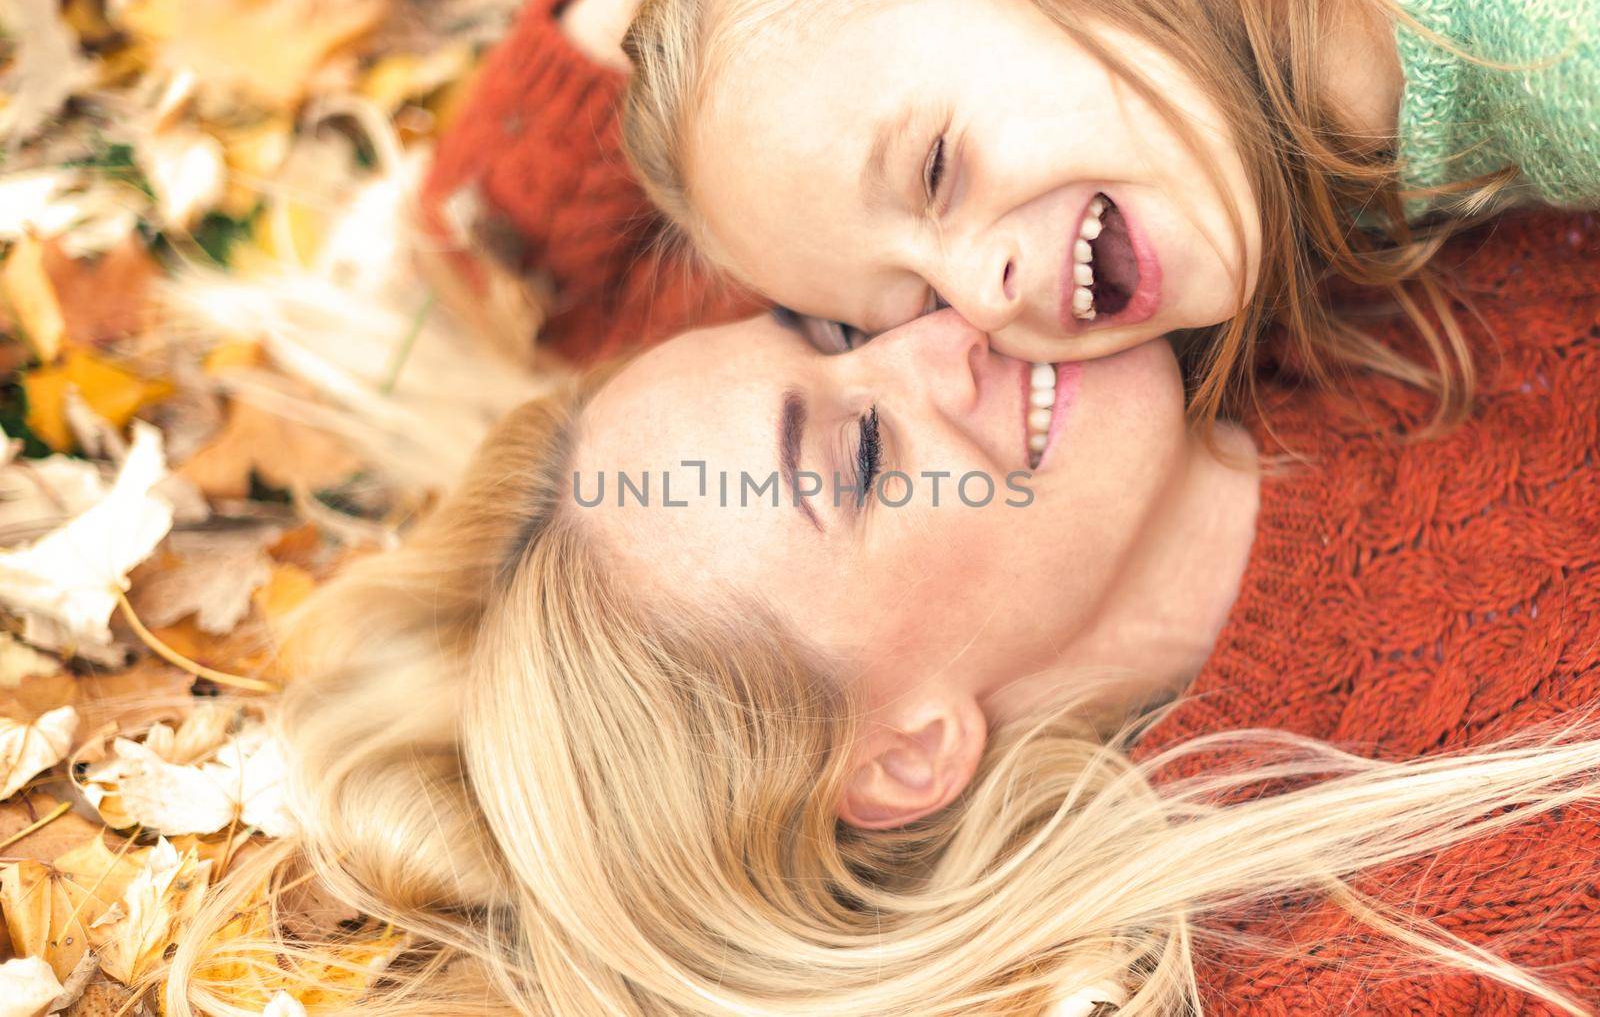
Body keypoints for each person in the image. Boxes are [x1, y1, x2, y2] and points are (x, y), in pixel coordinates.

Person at [165, 205, 1600, 1017]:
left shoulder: (1155, 225)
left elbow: (597, 187)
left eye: (835, 331)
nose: (943, 334)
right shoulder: (1405, 944)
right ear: (909, 754)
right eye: (856, 457)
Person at [616, 0, 1599, 426]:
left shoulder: (1553, 30)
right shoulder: (1289, 157)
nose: (981, 293)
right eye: (918, 306)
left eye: (934, 168)